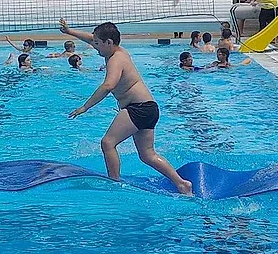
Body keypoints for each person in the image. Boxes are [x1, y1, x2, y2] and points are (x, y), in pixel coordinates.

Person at [61, 19, 192, 194]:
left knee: (107, 143)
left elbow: (108, 85)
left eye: (98, 44)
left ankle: (114, 183)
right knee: (148, 155)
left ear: (109, 43)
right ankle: (182, 183)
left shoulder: (116, 59)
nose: (94, 46)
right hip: (149, 108)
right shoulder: (117, 51)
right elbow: (90, 38)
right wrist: (70, 31)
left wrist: (85, 107)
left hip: (138, 108)